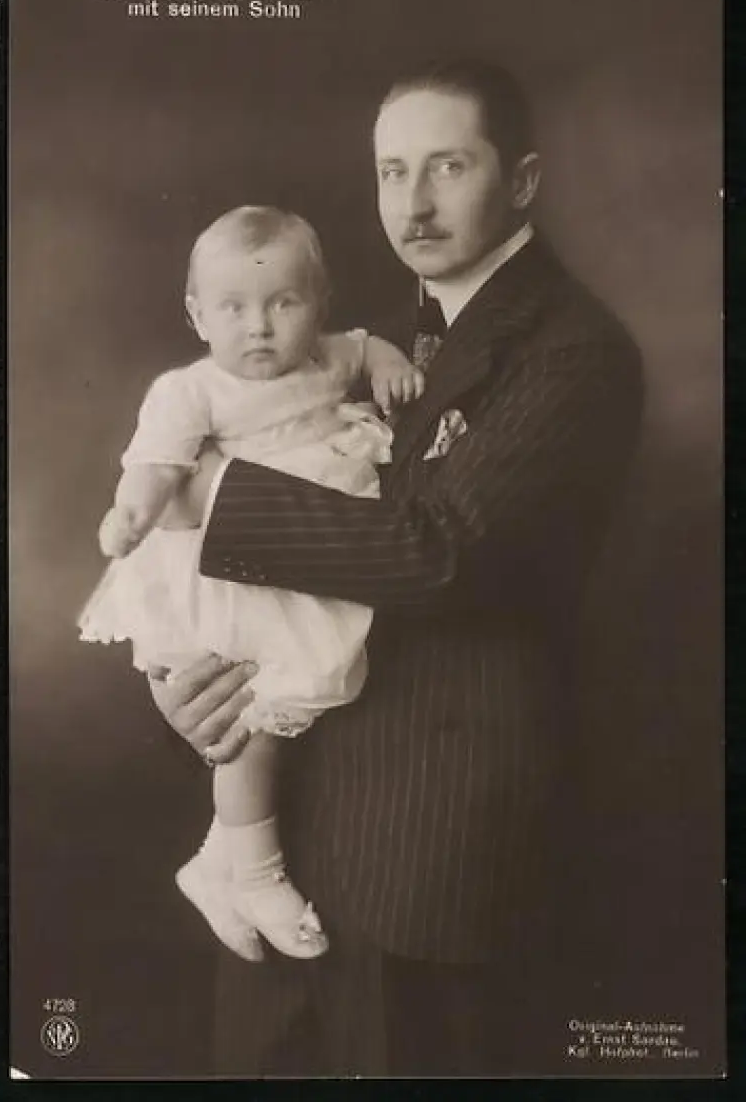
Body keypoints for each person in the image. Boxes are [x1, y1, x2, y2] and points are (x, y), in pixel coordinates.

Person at [149, 60, 645, 1075]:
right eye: (390, 171)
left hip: (422, 861)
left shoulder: (574, 350)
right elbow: (285, 580)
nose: (411, 204)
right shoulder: (350, 343)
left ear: (522, 181)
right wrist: (198, 694)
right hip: (283, 852)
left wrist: (209, 496)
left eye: (447, 167)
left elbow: (439, 550)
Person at [79, 204, 423, 963]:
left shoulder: (329, 357)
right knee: (253, 727)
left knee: (294, 715)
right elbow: (157, 464)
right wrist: (130, 515)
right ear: (197, 316)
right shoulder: (191, 390)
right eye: (233, 308)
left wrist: (388, 362)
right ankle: (256, 874)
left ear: (319, 305)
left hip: (305, 562)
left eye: (283, 303)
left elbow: (366, 347)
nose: (259, 327)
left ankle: (219, 858)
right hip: (232, 577)